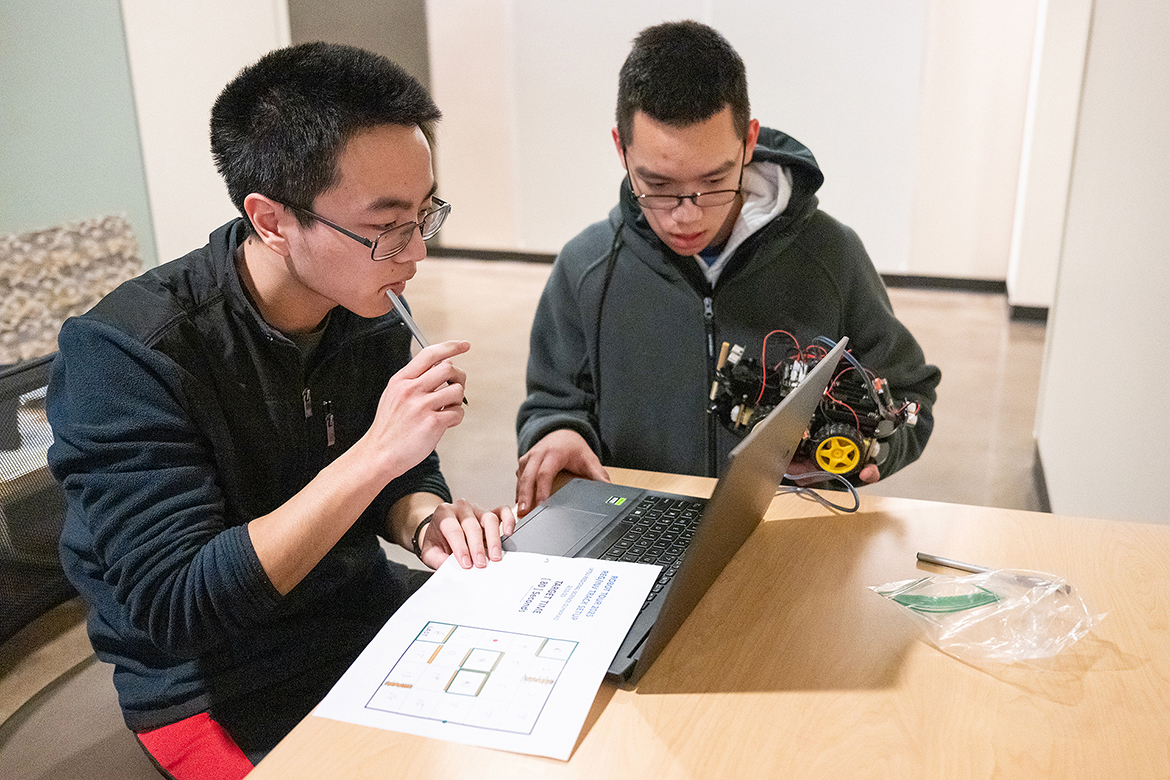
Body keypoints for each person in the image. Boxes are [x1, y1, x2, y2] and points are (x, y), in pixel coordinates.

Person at [47, 43, 513, 777]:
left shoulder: (366, 301)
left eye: (426, 213)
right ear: (269, 218)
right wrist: (374, 455)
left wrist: (424, 517)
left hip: (353, 613)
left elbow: (400, 475)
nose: (416, 250)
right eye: (388, 225)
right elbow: (176, 606)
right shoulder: (128, 353)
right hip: (212, 679)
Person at [515, 21, 941, 514]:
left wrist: (867, 452)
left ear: (749, 141)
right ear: (621, 149)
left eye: (714, 180)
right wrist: (558, 435)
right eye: (656, 184)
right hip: (636, 526)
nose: (686, 215)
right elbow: (552, 405)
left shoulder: (830, 254)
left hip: (784, 528)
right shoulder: (586, 269)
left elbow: (908, 396)